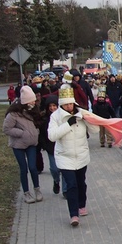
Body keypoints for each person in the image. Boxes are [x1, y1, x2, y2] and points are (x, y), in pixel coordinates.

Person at [48, 85, 92, 227]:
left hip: (81, 155)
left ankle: (81, 204)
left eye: (70, 103)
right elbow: (52, 136)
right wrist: (67, 124)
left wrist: (88, 119)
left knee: (81, 183)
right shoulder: (55, 117)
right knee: (71, 185)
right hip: (65, 157)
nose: (68, 106)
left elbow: (96, 129)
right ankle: (74, 214)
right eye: (65, 104)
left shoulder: (81, 114)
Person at [2, 86, 43, 204]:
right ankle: (26, 193)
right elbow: (6, 129)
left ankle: (37, 189)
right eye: (32, 100)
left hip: (31, 144)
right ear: (25, 102)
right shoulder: (13, 114)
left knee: (33, 167)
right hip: (18, 145)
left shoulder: (34, 110)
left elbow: (37, 123)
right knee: (23, 169)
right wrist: (22, 133)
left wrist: (36, 132)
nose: (34, 102)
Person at [38, 96, 65, 197]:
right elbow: (42, 134)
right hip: (50, 147)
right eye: (51, 106)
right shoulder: (45, 118)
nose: (53, 108)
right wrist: (44, 145)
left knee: (64, 169)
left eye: (54, 106)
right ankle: (56, 181)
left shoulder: (62, 117)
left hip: (62, 146)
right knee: (54, 169)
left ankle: (65, 190)